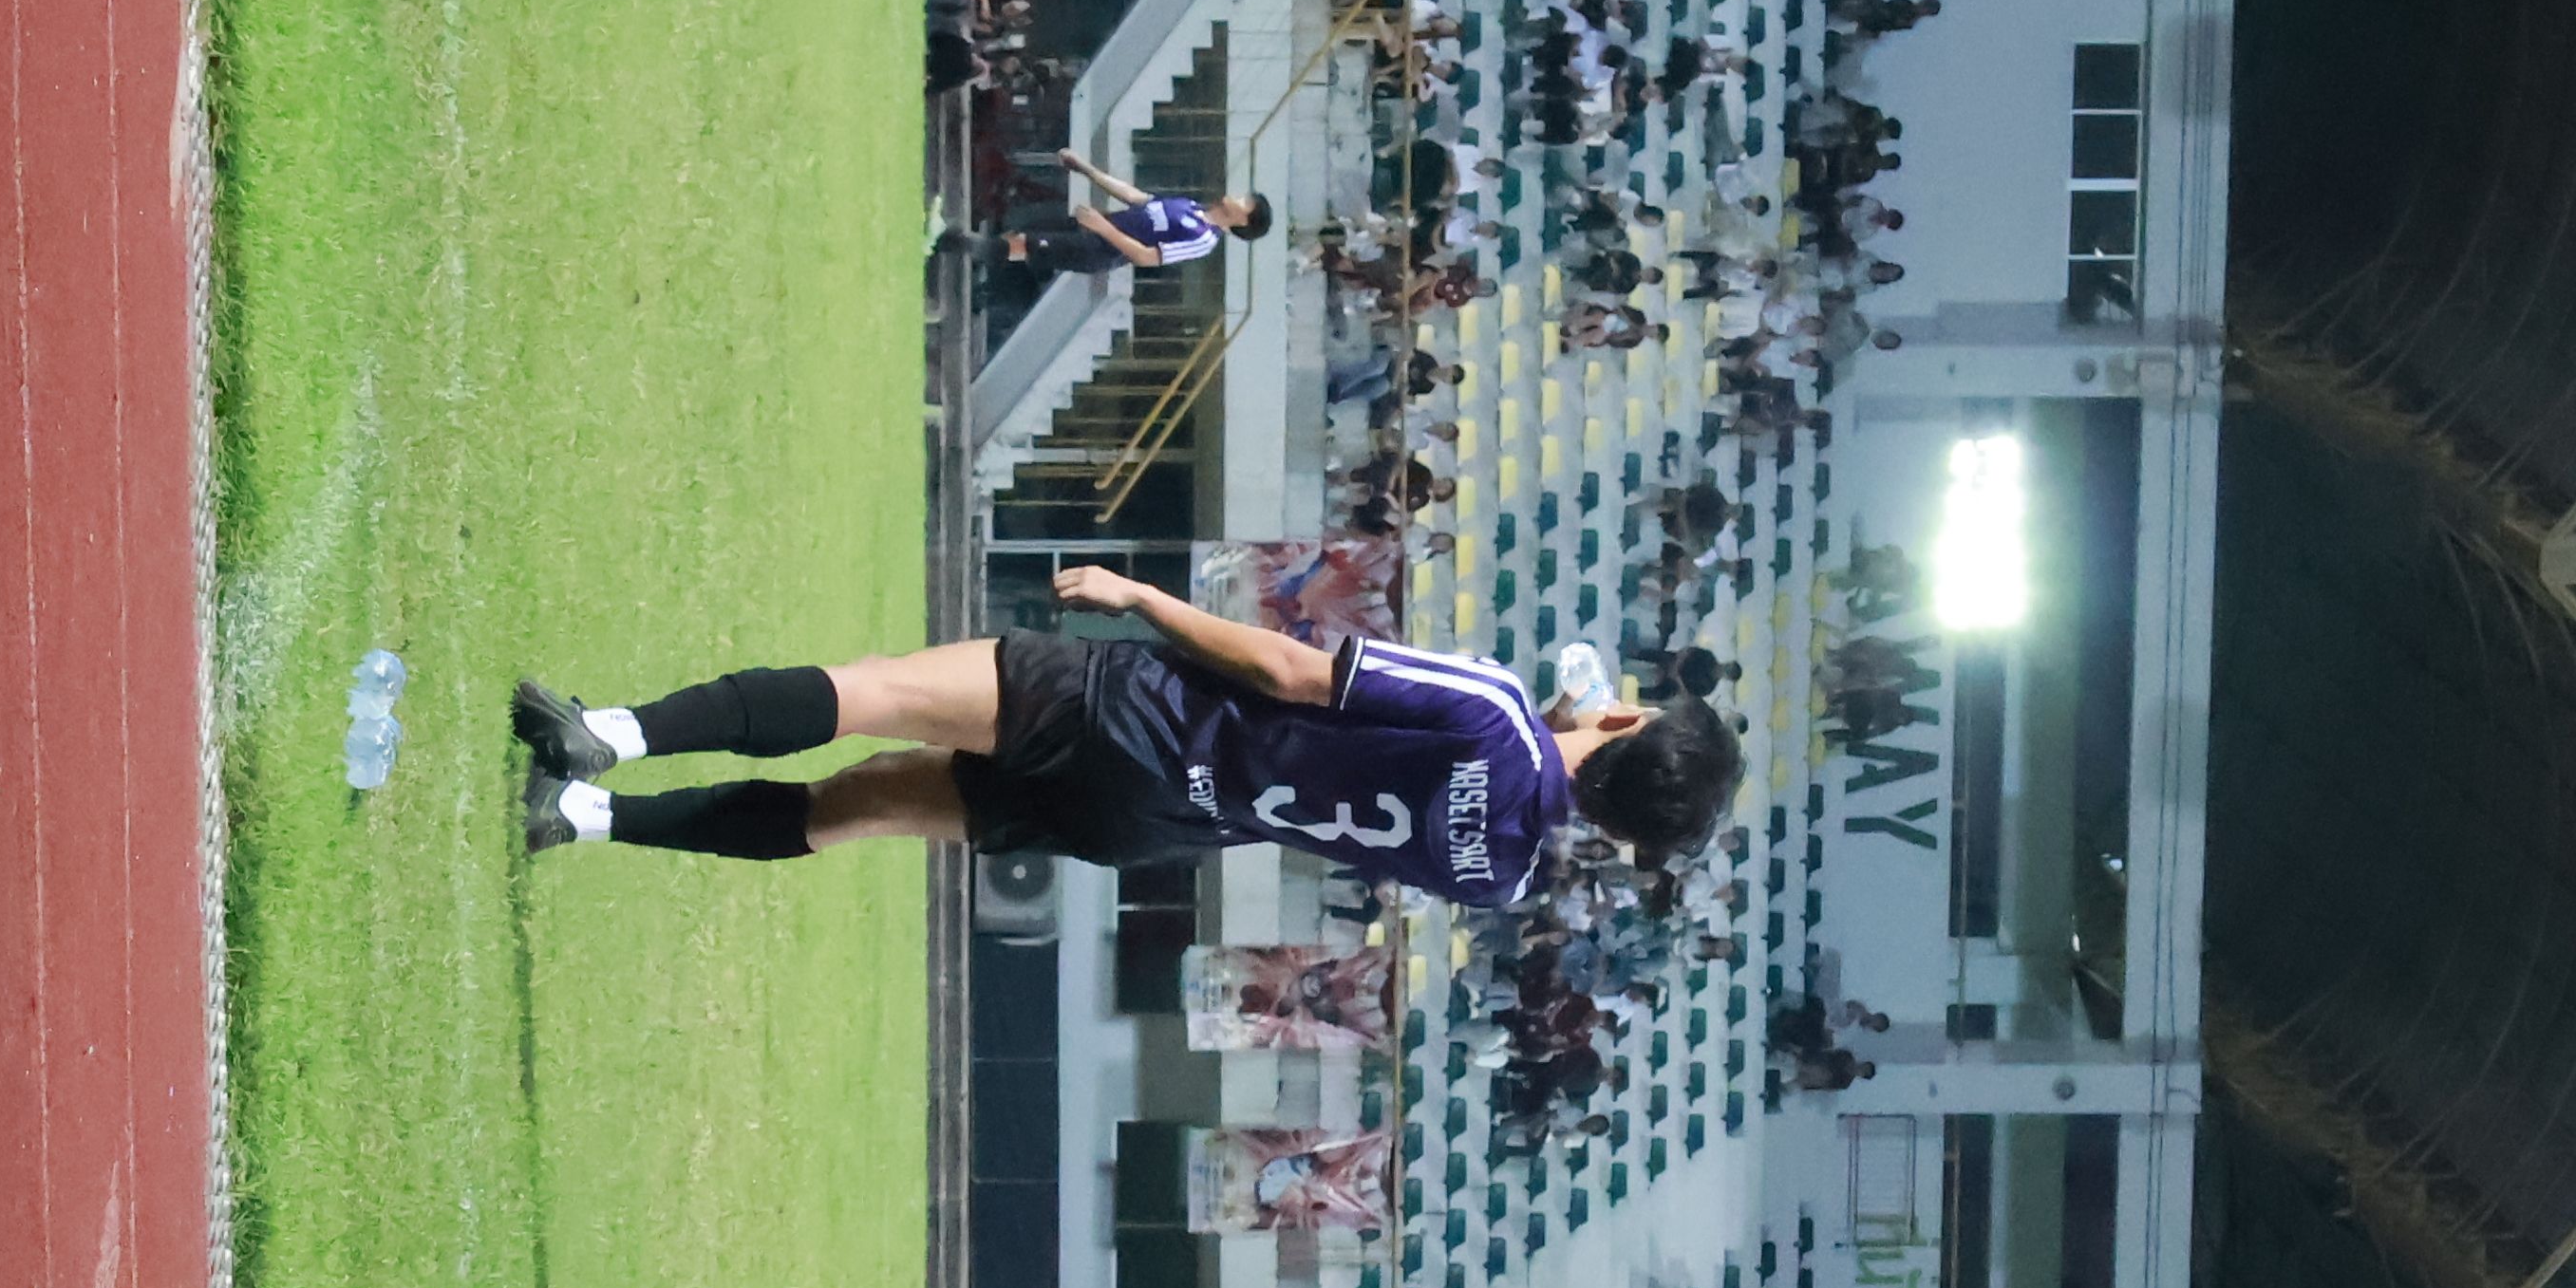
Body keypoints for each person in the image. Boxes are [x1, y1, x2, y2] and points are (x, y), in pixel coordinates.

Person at [511, 569, 1742, 902]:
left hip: (1151, 718)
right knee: (866, 806)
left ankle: (610, 736)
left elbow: (1292, 671)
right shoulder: (1502, 877)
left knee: (878, 693)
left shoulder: (1499, 711)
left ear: (1630, 721)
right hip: (1162, 823)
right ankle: (580, 818)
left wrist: (1142, 598)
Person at [1011, 147, 1272, 279]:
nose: (1237, 197)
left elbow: (1146, 257)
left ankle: (990, 250)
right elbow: (1136, 197)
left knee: (1027, 244)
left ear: (1243, 220)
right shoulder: (1192, 206)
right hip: (1092, 227)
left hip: (1101, 248)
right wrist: (1086, 170)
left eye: (1244, 202)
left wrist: (1103, 227)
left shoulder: (1204, 239)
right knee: (1024, 233)